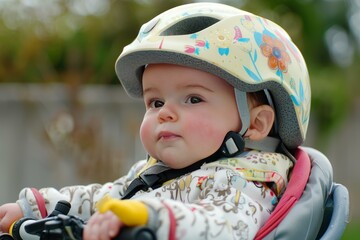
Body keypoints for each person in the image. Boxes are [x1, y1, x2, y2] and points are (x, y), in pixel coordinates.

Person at [0, 2, 311, 240]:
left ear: (256, 124)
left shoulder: (248, 183)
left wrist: (151, 216)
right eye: (156, 102)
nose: (164, 113)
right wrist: (38, 206)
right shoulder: (158, 172)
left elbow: (222, 226)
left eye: (193, 99)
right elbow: (108, 197)